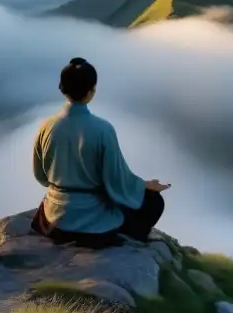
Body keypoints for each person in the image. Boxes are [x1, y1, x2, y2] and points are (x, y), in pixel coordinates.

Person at [30, 57, 170, 248]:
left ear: (62, 88)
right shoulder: (103, 130)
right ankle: (128, 239)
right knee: (153, 202)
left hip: (54, 218)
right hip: (93, 222)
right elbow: (116, 182)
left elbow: (41, 177)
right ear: (92, 91)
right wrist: (147, 185)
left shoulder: (46, 127)